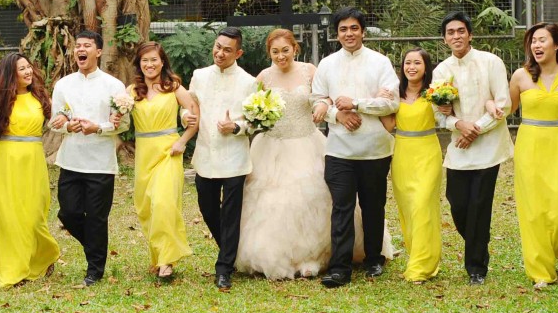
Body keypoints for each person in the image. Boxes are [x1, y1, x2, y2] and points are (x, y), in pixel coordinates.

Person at [237, 29, 388, 280]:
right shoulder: (263, 76)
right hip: (271, 145)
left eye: (285, 50)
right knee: (272, 203)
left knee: (315, 198)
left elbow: (323, 97)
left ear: (294, 48)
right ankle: (278, 256)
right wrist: (255, 116)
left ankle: (316, 256)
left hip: (306, 142)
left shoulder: (309, 70)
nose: (280, 56)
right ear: (269, 54)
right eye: (275, 52)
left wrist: (322, 107)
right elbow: (252, 108)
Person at [311, 8, 399, 287]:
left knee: (374, 205)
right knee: (342, 207)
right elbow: (316, 100)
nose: (349, 34)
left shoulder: (380, 62)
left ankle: (374, 258)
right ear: (336, 34)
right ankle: (340, 267)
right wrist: (337, 114)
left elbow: (391, 103)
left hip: (375, 149)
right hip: (338, 150)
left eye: (354, 28)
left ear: (363, 31)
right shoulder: (327, 64)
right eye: (343, 29)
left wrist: (358, 104)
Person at [432, 11, 513, 286]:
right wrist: (459, 125)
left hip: (488, 146)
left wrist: (474, 128)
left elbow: (504, 103)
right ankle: (480, 241)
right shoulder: (442, 70)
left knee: (480, 205)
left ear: (470, 34)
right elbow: (438, 113)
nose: (456, 36)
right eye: (450, 32)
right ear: (444, 39)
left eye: (460, 31)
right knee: (457, 203)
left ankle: (476, 266)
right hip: (459, 147)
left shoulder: (491, 62)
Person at [50, 29, 129, 287]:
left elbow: (122, 124)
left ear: (98, 51)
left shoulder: (113, 86)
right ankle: (96, 246)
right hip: (70, 160)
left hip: (100, 163)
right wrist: (65, 126)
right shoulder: (63, 85)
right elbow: (55, 121)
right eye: (77, 46)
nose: (80, 49)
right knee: (68, 213)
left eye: (86, 45)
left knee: (96, 217)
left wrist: (99, 127)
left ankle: (95, 268)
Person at [509, 23, 558, 289]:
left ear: (557, 45)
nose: (536, 46)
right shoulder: (520, 76)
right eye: (533, 41)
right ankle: (541, 271)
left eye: (542, 40)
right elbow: (506, 108)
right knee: (533, 212)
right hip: (529, 145)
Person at [188, 27, 257, 291]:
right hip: (205, 152)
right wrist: (186, 117)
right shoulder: (199, 75)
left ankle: (224, 267)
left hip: (234, 157)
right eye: (218, 47)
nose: (220, 53)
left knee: (230, 213)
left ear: (238, 52)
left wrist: (236, 127)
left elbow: (254, 121)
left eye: (227, 50)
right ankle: (231, 249)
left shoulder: (248, 81)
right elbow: (190, 107)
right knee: (207, 207)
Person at [0, 53, 59, 288]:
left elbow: (55, 120)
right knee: (9, 213)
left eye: (29, 67)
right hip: (7, 157)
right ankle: (14, 269)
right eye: (22, 69)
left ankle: (43, 254)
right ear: (10, 74)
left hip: (34, 158)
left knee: (35, 210)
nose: (28, 72)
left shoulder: (39, 96)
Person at [130, 42, 198, 281]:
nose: (150, 65)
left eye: (154, 60)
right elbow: (116, 120)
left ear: (163, 62)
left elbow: (194, 115)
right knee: (146, 206)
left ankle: (167, 260)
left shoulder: (174, 87)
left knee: (163, 202)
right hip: (144, 153)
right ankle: (158, 255)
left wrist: (183, 140)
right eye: (145, 60)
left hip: (169, 151)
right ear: (139, 64)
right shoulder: (132, 92)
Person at [389, 47, 443, 283]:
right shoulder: (394, 94)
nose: (411, 67)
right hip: (402, 154)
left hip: (428, 152)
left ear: (426, 67)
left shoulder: (435, 93)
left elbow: (444, 117)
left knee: (422, 205)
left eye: (417, 63)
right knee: (409, 208)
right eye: (407, 63)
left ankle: (422, 266)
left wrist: (446, 108)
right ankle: (418, 255)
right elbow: (388, 124)